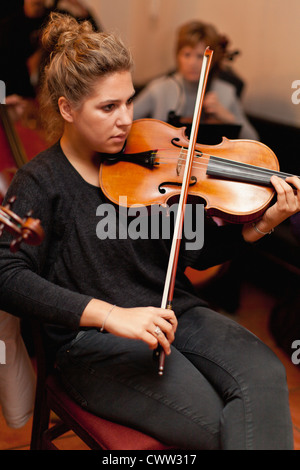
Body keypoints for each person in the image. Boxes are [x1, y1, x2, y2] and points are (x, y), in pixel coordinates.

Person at [0, 12, 299, 450]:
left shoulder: (150, 157)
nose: (125, 120)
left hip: (176, 313)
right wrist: (112, 314)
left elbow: (194, 250)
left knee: (265, 375)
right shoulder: (41, 183)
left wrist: (262, 225)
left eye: (128, 101)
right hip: (92, 345)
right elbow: (7, 276)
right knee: (214, 425)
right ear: (66, 107)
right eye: (108, 107)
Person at [133, 20, 259, 141]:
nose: (192, 63)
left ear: (212, 60)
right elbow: (127, 120)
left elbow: (254, 140)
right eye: (187, 54)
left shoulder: (225, 92)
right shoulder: (160, 88)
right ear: (177, 56)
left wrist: (228, 117)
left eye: (200, 56)